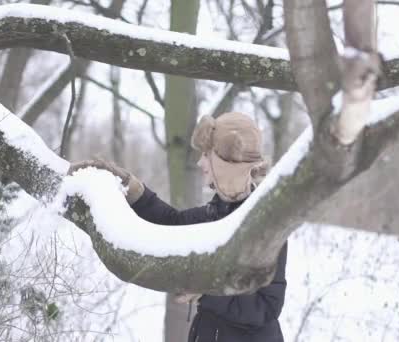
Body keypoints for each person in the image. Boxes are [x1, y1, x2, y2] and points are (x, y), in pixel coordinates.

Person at [69, 112, 287, 342]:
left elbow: (266, 307)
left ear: (226, 162)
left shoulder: (267, 226)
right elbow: (170, 224)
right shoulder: (211, 216)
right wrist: (130, 187)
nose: (200, 162)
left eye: (206, 154)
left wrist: (207, 291)